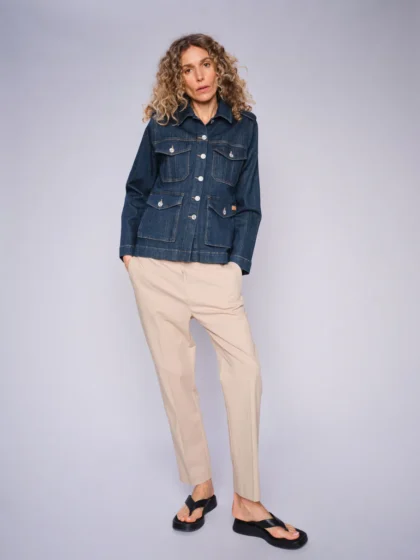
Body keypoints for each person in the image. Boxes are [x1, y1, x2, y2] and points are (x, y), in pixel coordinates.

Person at [119, 33, 308, 550]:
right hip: (155, 265)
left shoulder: (245, 126)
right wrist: (130, 256)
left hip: (214, 273)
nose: (199, 75)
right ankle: (201, 487)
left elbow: (250, 203)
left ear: (220, 69)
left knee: (245, 374)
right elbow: (137, 189)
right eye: (187, 69)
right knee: (176, 379)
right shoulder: (161, 124)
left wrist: (235, 266)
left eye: (206, 64)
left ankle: (248, 502)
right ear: (177, 78)